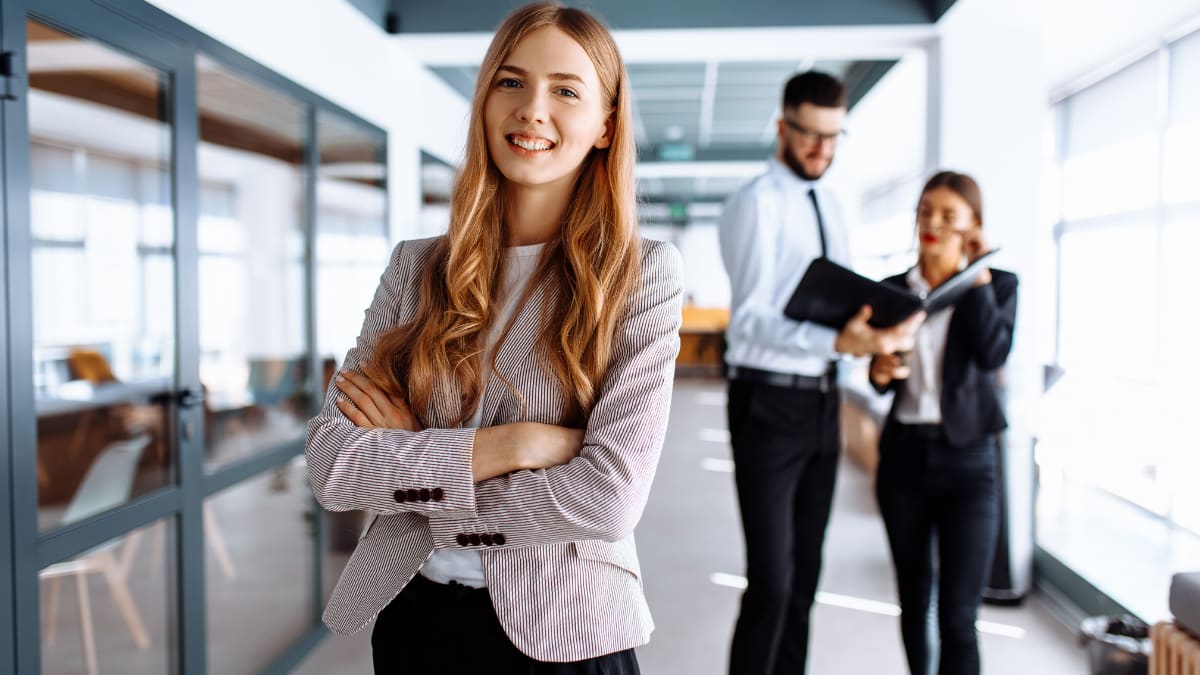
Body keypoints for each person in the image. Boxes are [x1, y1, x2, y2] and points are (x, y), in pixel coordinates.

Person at [305, 4, 683, 672]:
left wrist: (417, 469)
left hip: (567, 629)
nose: (533, 109)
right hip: (416, 619)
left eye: (565, 90)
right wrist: (514, 445)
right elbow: (334, 466)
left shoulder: (642, 274)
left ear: (605, 124)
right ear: (484, 102)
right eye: (510, 82)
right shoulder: (415, 268)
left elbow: (606, 498)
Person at [717, 70, 924, 675]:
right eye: (809, 135)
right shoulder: (757, 202)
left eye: (833, 138)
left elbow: (837, 302)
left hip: (823, 400)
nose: (821, 150)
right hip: (767, 404)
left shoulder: (834, 200)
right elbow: (749, 321)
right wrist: (837, 337)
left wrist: (870, 340)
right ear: (783, 127)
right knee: (773, 582)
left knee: (806, 579)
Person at [869, 171, 1018, 675]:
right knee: (914, 600)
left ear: (974, 226)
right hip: (905, 457)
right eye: (926, 210)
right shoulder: (891, 291)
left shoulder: (999, 285)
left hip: (969, 462)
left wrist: (976, 275)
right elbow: (880, 378)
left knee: (959, 614)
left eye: (948, 216)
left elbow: (993, 352)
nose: (932, 223)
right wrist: (881, 367)